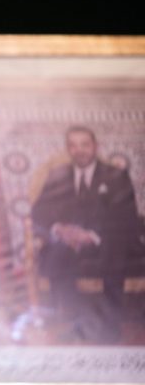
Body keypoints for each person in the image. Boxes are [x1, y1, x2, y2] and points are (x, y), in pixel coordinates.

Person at [31, 126, 140, 343]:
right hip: (67, 242)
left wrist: (91, 235)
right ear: (68, 149)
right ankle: (71, 323)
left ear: (95, 147)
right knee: (54, 255)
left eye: (85, 145)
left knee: (115, 251)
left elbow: (126, 215)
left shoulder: (116, 175)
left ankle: (110, 328)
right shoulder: (57, 175)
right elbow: (39, 211)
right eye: (73, 145)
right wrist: (59, 228)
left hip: (104, 239)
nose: (79, 150)